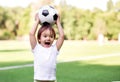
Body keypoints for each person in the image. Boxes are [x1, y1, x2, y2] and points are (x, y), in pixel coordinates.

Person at [29, 13, 64, 82]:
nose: (48, 38)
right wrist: (37, 21)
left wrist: (58, 23)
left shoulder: (54, 49)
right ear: (39, 38)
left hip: (51, 80)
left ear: (54, 38)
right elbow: (31, 34)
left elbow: (62, 36)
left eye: (51, 36)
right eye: (45, 36)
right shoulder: (36, 48)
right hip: (38, 80)